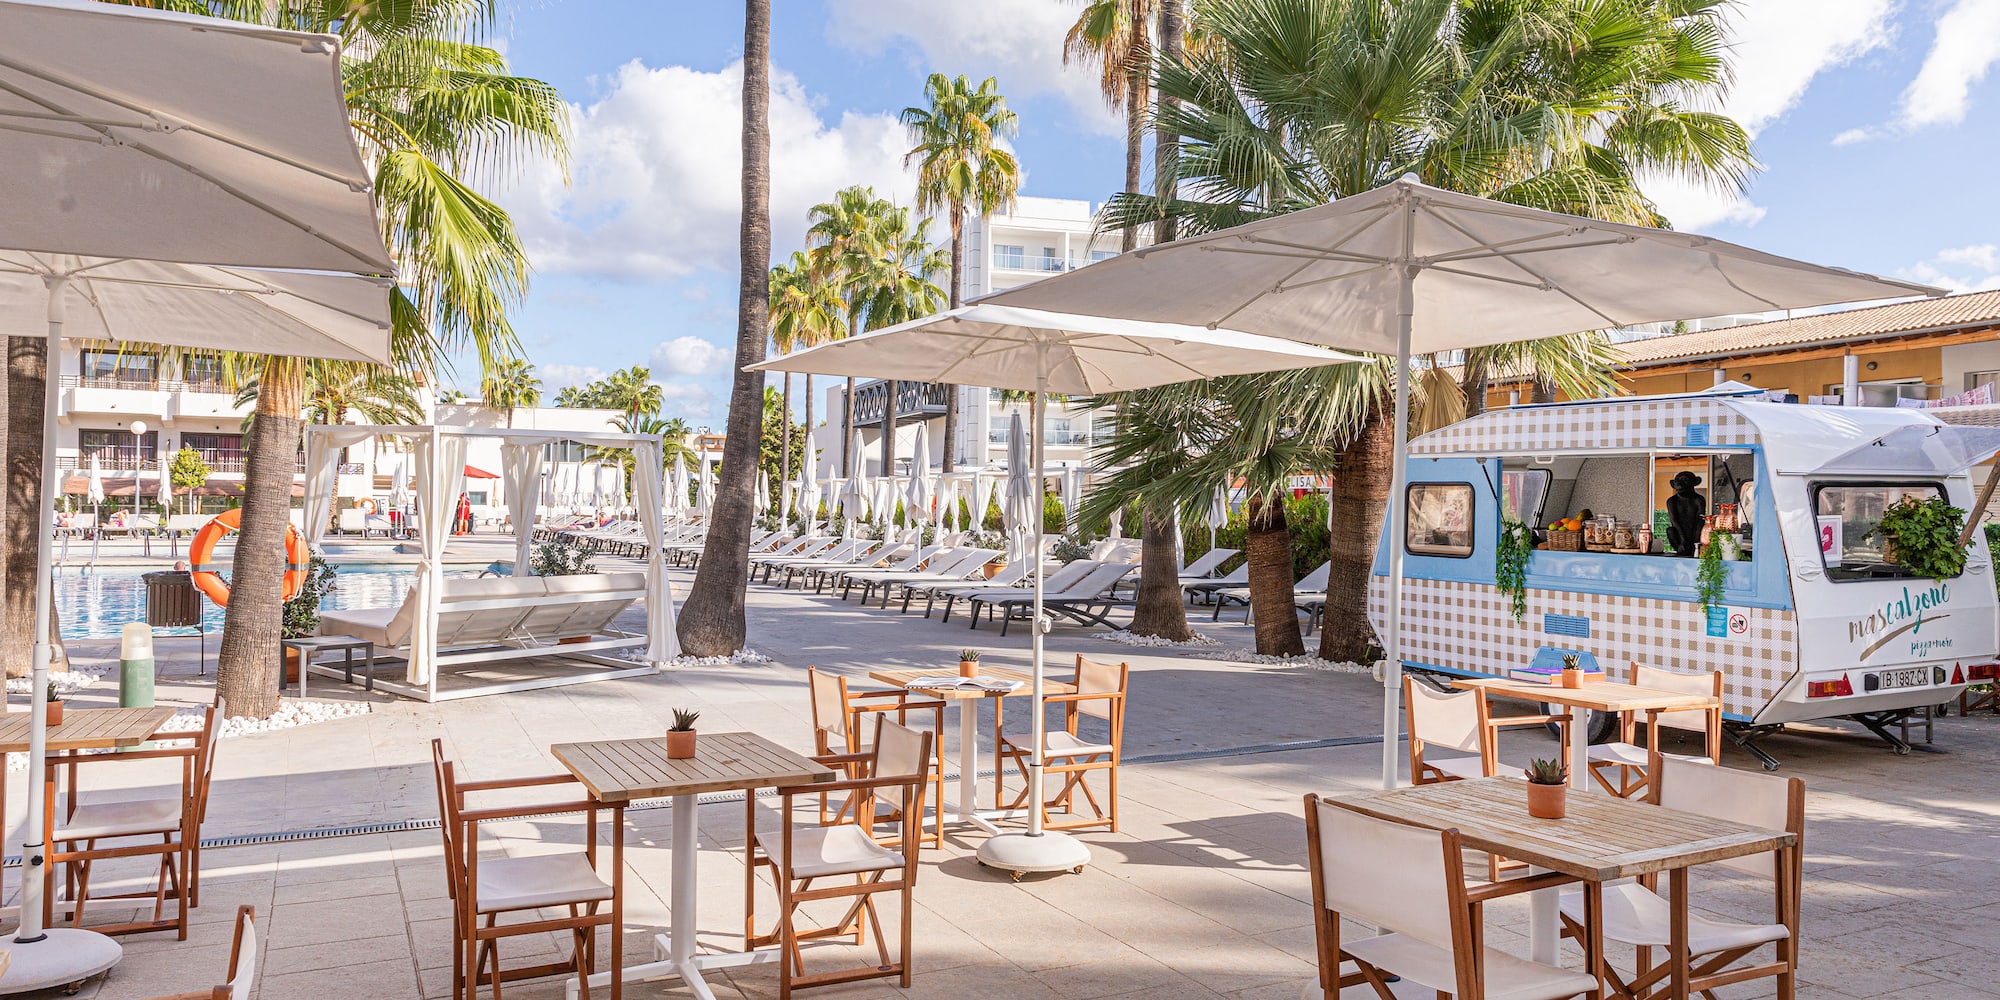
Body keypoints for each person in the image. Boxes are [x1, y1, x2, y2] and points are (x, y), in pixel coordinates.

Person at [1666, 471, 1707, 558]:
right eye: (1678, 480)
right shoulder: (1672, 501)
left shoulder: (1698, 500)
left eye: (1685, 479)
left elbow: (1699, 522)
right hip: (1678, 535)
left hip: (1694, 533)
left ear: (1694, 482)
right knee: (1670, 530)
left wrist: (1695, 544)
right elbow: (1674, 521)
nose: (1680, 483)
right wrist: (1683, 540)